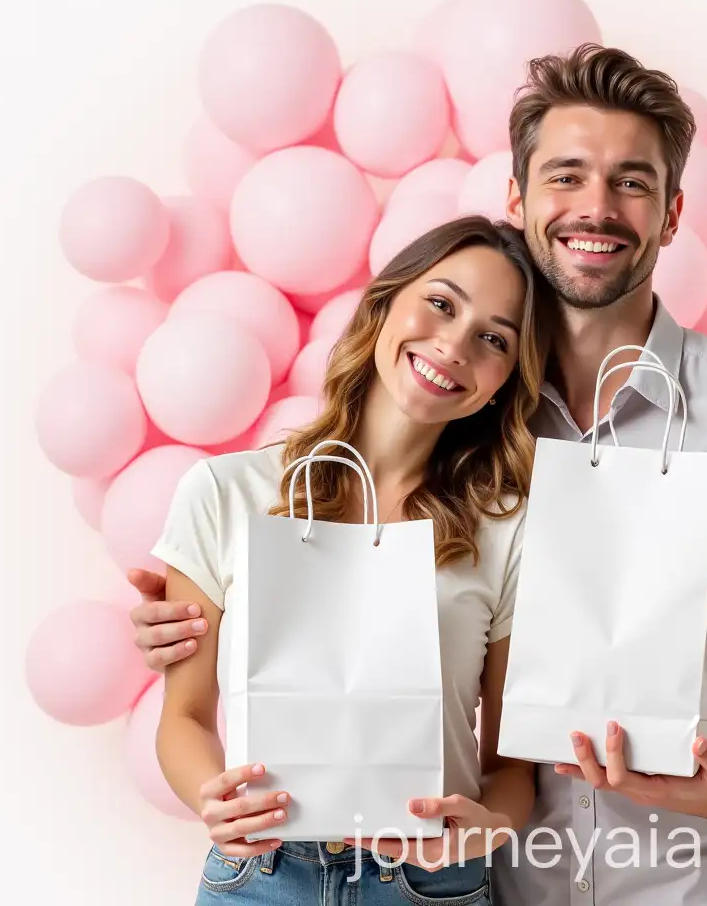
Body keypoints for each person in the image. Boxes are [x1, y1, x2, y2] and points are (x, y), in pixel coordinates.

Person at [131, 44, 707, 905]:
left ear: (674, 214)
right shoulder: (472, 436)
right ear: (518, 197)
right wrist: (200, 619)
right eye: (566, 175)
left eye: (633, 183)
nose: (596, 208)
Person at [149, 215, 552, 905]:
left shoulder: (506, 529)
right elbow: (183, 716)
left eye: (492, 339)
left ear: (502, 383)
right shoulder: (224, 492)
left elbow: (510, 763)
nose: (454, 344)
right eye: (441, 303)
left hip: (431, 884)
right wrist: (212, 802)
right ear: (384, 305)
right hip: (261, 879)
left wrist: (481, 831)